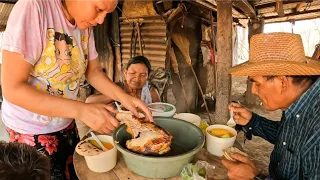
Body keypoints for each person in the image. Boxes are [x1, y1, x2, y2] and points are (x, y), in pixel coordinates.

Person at [1, 0, 152, 179]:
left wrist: (124, 97)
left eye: (107, 13)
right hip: (31, 132)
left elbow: (93, 71)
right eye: (99, 9)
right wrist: (81, 110)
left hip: (66, 123)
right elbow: (13, 89)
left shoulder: (84, 24)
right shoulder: (34, 8)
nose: (101, 20)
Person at [222, 33, 320, 180]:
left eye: (257, 83)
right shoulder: (297, 104)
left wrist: (255, 178)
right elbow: (288, 138)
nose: (254, 90)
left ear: (282, 83)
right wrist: (252, 121)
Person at [86, 56, 161, 105]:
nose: (137, 78)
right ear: (125, 73)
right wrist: (119, 95)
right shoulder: (118, 87)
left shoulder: (151, 91)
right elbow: (89, 102)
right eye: (133, 73)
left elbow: (160, 112)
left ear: (148, 76)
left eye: (143, 75)